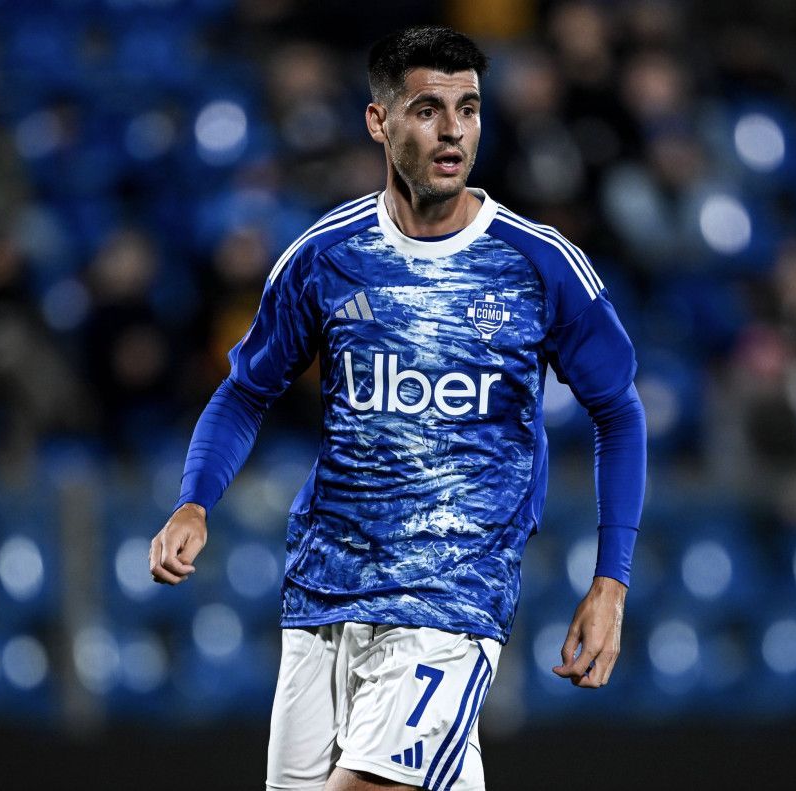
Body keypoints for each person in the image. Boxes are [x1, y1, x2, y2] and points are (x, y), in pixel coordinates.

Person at [149, 26, 646, 791]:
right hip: (323, 593)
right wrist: (195, 500)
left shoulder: (538, 263)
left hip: (452, 595)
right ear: (379, 122)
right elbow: (246, 389)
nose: (453, 131)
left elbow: (619, 412)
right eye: (427, 109)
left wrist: (611, 580)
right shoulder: (325, 256)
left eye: (468, 109)